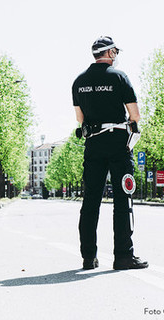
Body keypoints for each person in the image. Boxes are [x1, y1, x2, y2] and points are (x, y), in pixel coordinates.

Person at [72, 36, 148, 270]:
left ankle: (88, 257)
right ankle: (123, 256)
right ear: (111, 53)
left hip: (93, 143)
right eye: (116, 52)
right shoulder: (119, 77)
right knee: (122, 198)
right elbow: (134, 116)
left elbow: (79, 119)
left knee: (91, 200)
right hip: (117, 143)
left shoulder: (78, 82)